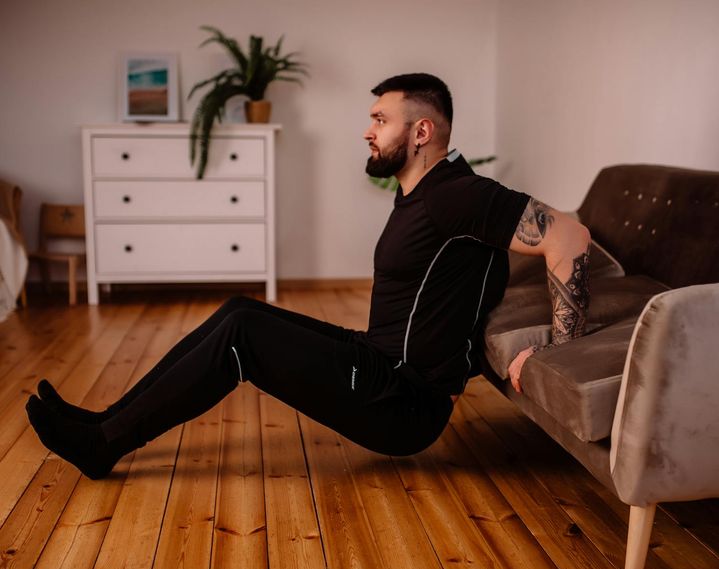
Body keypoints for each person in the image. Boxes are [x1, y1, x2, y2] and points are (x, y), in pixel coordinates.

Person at [26, 73, 590, 480]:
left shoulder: (457, 194)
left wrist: (560, 354)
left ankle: (103, 443)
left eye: (379, 119)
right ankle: (104, 423)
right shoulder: (426, 194)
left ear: (421, 132)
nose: (366, 131)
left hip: (403, 402)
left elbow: (569, 237)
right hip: (380, 361)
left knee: (243, 336)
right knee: (239, 314)